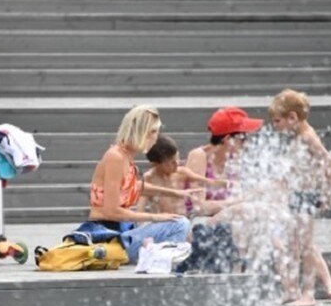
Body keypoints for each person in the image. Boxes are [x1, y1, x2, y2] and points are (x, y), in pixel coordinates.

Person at [78, 105, 192, 265]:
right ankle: (161, 261)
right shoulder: (115, 157)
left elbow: (136, 186)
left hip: (124, 231)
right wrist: (155, 217)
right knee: (180, 224)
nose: (156, 137)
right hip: (108, 237)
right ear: (141, 132)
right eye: (153, 132)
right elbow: (111, 211)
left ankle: (165, 259)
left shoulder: (125, 156)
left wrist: (176, 194)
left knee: (182, 228)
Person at [268, 89, 331, 306]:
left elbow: (330, 162)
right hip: (297, 194)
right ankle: (292, 290)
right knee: (292, 243)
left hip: (308, 195)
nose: (275, 126)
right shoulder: (298, 135)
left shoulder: (308, 137)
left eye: (277, 121)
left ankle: (308, 294)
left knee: (306, 246)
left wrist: (327, 193)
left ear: (293, 117)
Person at [137, 134, 226, 216]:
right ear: (156, 164)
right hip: (163, 224)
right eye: (172, 162)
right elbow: (140, 208)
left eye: (178, 158)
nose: (177, 164)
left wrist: (226, 184)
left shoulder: (182, 173)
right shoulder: (149, 178)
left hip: (184, 220)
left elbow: (207, 181)